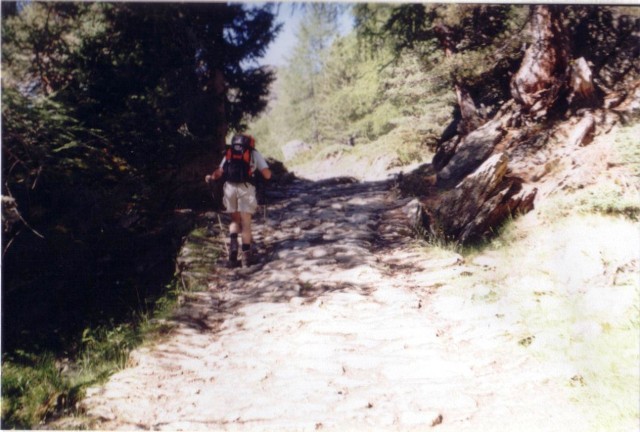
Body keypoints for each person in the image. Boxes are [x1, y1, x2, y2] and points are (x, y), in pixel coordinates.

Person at [206, 134, 271, 268]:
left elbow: (219, 172)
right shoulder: (253, 153)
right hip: (246, 188)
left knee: (234, 220)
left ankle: (233, 254)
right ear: (250, 143)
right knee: (246, 222)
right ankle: (247, 257)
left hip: (229, 188)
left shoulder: (230, 153)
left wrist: (211, 177)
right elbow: (267, 174)